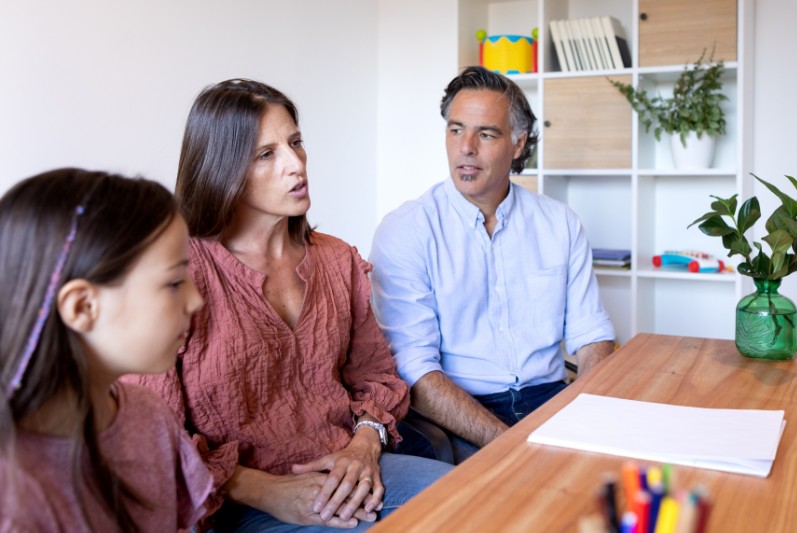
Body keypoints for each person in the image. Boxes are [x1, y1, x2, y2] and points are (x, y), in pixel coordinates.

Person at [129, 78, 451, 532]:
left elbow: (376, 377)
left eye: (296, 143)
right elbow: (148, 433)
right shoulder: (177, 271)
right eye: (267, 154)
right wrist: (262, 490)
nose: (295, 163)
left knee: (480, 499)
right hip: (230, 502)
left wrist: (364, 443)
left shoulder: (337, 259)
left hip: (349, 471)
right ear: (222, 167)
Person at [369, 66, 616, 463]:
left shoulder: (560, 223)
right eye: (455, 129)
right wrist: (513, 442)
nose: (466, 147)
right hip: (459, 414)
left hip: (551, 398)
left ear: (518, 144)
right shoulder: (406, 230)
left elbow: (591, 333)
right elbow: (414, 369)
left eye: (486, 133)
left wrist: (583, 412)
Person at [0, 168, 213, 531]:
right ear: (83, 307)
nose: (196, 301)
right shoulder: (13, 494)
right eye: (175, 282)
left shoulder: (151, 420)